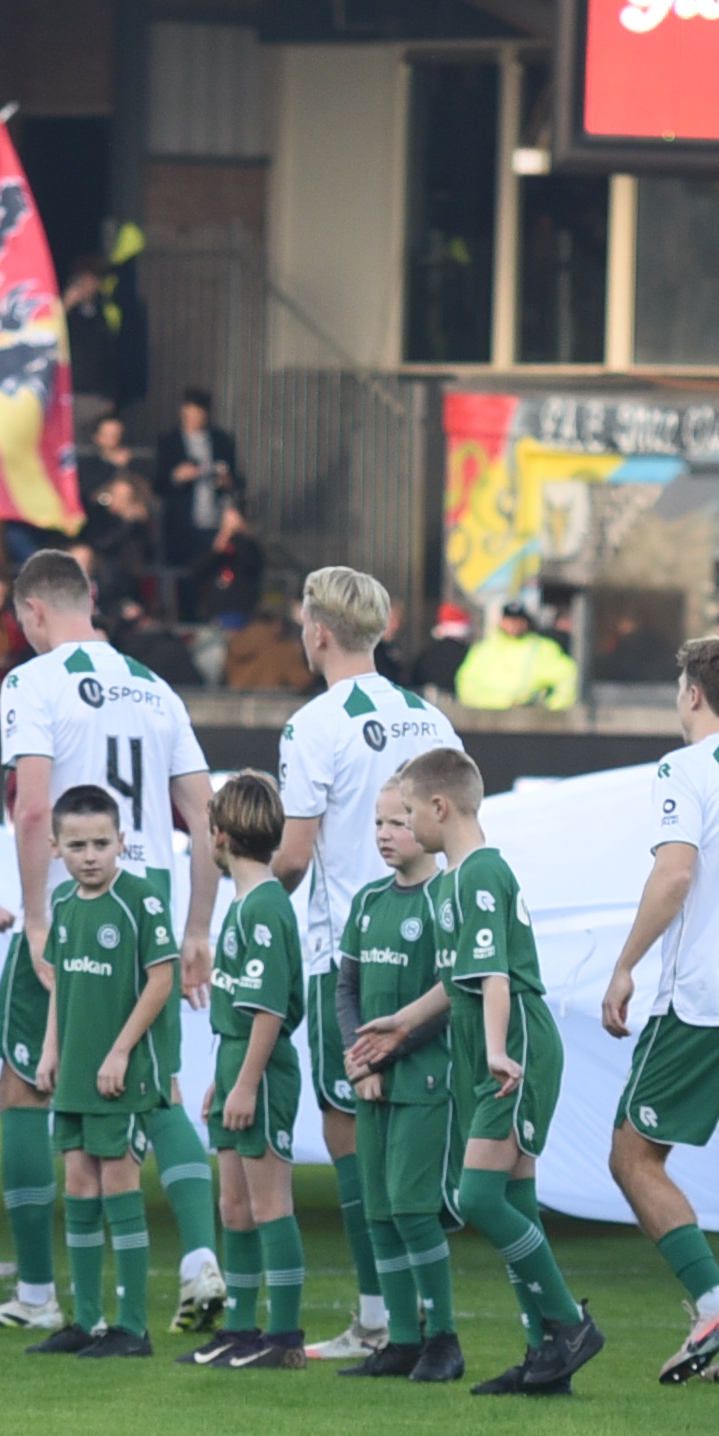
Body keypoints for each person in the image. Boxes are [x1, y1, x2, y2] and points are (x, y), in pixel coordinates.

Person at [0, 545, 215, 1337]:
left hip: (77, 900)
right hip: (148, 895)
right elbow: (205, 820)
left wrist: (35, 914)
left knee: (24, 1085)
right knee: (162, 1085)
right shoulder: (155, 686)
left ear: (34, 612)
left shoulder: (33, 682)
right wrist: (196, 927)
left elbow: (33, 808)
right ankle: (199, 1259)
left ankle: (40, 1293)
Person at [596, 635, 719, 1389]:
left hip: (708, 990)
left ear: (692, 695)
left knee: (632, 1154)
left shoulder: (684, 767)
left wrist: (624, 965)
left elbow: (675, 874)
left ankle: (715, 1304)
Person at [270, 568, 449, 1362]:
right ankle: (409, 1311)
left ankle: (380, 1314)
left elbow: (293, 859)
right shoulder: (429, 717)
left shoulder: (313, 724)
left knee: (351, 1129)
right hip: (429, 943)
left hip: (348, 948)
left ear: (317, 632)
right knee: (410, 1124)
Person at [415, 746, 602, 1394]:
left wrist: (496, 1051)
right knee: (515, 1196)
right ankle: (544, 1357)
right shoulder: (449, 882)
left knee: (479, 1197)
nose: (407, 826)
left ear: (440, 806)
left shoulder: (480, 874)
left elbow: (494, 974)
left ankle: (567, 1324)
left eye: (408, 811)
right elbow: (459, 979)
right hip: (484, 1037)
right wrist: (401, 1024)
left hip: (511, 1036)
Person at [22, 782, 183, 1359]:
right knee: (79, 1186)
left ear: (122, 841)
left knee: (119, 1183)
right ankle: (86, 1320)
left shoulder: (141, 900)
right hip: (75, 1073)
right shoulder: (64, 906)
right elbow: (63, 985)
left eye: (100, 843)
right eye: (77, 845)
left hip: (125, 1071)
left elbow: (162, 981)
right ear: (55, 845)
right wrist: (50, 1050)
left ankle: (132, 1326)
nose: (89, 855)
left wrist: (119, 1052)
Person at [330, 769, 465, 1381]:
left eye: (399, 821)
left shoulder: (447, 899)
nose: (385, 833)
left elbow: (452, 996)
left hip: (424, 1080)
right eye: (379, 822)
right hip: (371, 1081)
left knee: (413, 1209)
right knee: (379, 1212)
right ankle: (401, 1338)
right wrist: (359, 1063)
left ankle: (444, 1338)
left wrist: (385, 1056)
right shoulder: (366, 901)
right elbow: (346, 989)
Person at [190, 773, 312, 1369]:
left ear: (220, 834)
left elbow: (267, 1010)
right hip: (237, 1059)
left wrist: (244, 1083)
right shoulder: (245, 903)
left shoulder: (264, 906)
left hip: (260, 1069)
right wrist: (224, 1077)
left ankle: (284, 1338)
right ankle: (240, 1329)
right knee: (233, 1206)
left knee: (270, 1204)